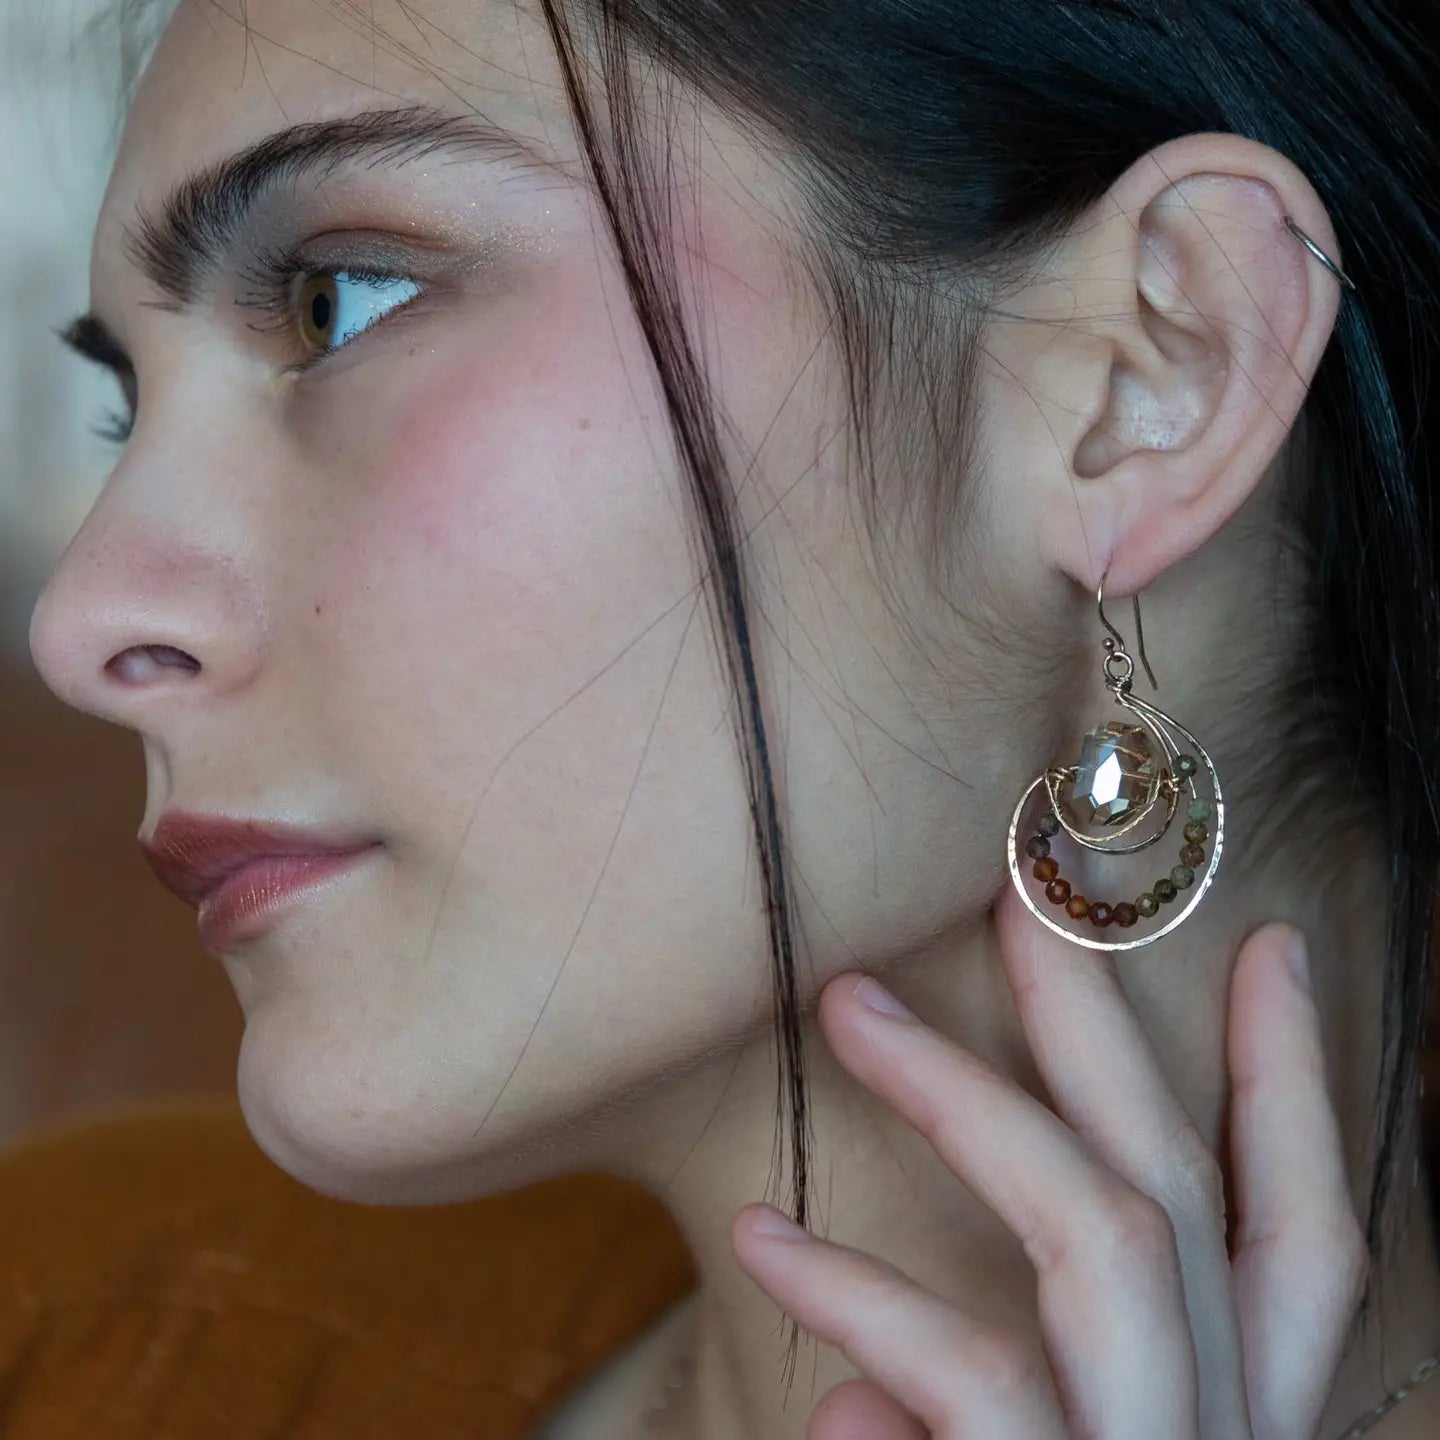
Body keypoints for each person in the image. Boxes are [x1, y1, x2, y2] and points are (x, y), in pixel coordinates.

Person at [24, 0, 1440, 1435]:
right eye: (124, 410)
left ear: (1149, 369)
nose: (81, 623)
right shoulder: (79, 1336)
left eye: (341, 302)